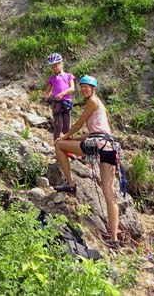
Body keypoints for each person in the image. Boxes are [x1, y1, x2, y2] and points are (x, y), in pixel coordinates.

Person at [54, 75, 120, 246]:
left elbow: (78, 124)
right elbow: (96, 131)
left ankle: (70, 183)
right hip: (109, 146)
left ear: (93, 89)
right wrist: (76, 139)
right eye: (82, 86)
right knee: (108, 190)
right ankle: (114, 238)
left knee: (59, 145)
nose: (83, 89)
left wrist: (65, 137)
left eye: (87, 87)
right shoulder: (101, 107)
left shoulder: (92, 102)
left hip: (97, 144)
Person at [42, 52, 75, 141]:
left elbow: (72, 88)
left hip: (66, 103)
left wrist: (62, 94)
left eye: (56, 65)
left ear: (61, 64)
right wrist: (46, 95)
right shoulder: (52, 78)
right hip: (57, 103)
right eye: (52, 67)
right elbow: (48, 91)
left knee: (67, 127)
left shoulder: (69, 76)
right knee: (58, 126)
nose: (54, 68)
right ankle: (57, 146)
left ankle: (69, 146)